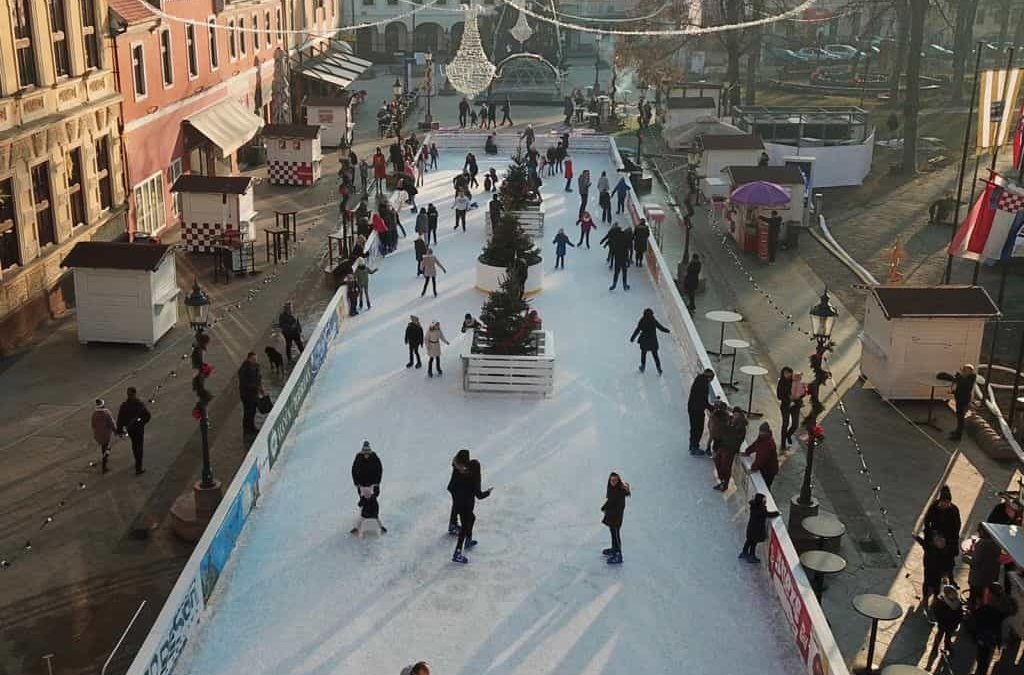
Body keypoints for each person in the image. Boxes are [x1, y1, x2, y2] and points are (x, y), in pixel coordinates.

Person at [450, 457, 492, 563]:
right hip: (466, 507)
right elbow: (479, 496)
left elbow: (456, 468)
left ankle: (468, 541)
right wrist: (488, 492)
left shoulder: (463, 475)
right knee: (464, 529)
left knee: (472, 518)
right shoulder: (474, 479)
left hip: (460, 505)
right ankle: (457, 553)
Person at [971, 582, 1017, 675]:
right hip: (993, 636)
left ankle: (981, 672)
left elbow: (975, 620)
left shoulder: (988, 608)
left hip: (985, 637)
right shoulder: (1002, 604)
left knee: (982, 658)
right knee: (984, 656)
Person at [116, 387, 151, 475]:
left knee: (134, 445)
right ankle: (138, 467)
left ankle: (136, 461)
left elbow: (120, 419)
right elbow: (147, 416)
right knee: (139, 447)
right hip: (139, 429)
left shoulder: (124, 406)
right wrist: (142, 422)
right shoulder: (139, 404)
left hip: (130, 429)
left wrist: (119, 430)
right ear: (135, 394)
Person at [915, 531, 955, 606]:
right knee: (927, 583)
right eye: (937, 540)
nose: (941, 542)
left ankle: (934, 598)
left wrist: (947, 573)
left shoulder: (946, 550)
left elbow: (949, 562)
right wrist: (916, 537)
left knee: (936, 584)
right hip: (930, 569)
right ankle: (926, 598)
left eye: (942, 540)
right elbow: (923, 543)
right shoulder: (931, 548)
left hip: (938, 571)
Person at [601, 471, 631, 565]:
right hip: (611, 517)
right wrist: (604, 507)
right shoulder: (612, 490)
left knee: (616, 535)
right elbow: (610, 501)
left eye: (615, 480)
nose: (613, 482)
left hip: (616, 518)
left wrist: (611, 512)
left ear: (618, 481)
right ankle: (614, 549)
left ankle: (618, 554)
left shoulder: (619, 492)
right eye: (611, 480)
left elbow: (620, 506)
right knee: (613, 534)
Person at [739, 493, 778, 563]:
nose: (765, 501)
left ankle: (744, 552)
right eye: (764, 500)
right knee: (753, 543)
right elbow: (768, 514)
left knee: (749, 541)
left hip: (751, 528)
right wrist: (777, 513)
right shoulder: (760, 510)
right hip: (756, 531)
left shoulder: (754, 507)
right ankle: (751, 556)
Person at [968, 525, 1002, 607]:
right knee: (983, 596)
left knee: (974, 596)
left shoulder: (981, 543)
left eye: (979, 531)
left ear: (983, 532)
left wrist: (966, 558)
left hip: (978, 578)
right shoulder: (997, 542)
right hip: (990, 576)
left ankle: (973, 609)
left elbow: (975, 562)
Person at [630, 308, 670, 375]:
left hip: (644, 341)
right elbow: (660, 328)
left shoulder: (642, 320)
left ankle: (642, 367)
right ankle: (659, 369)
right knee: (655, 356)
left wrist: (632, 338)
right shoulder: (653, 320)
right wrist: (668, 331)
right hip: (653, 341)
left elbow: (637, 330)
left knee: (643, 354)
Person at [923, 485, 962, 553]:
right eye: (944, 502)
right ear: (940, 501)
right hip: (935, 534)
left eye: (947, 503)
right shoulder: (934, 507)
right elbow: (927, 520)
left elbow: (957, 526)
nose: (946, 505)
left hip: (948, 536)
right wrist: (932, 533)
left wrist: (949, 538)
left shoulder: (954, 510)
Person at [929, 584, 962, 657]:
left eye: (955, 592)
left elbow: (960, 613)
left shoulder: (957, 601)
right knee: (939, 635)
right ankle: (935, 648)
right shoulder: (941, 602)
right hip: (943, 624)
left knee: (948, 636)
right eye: (953, 593)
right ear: (948, 595)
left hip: (952, 624)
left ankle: (947, 646)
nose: (955, 594)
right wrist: (940, 621)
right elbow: (937, 613)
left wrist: (958, 621)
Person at [687, 369, 716, 454]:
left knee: (693, 427)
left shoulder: (699, 379)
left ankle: (692, 445)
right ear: (709, 378)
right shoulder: (704, 385)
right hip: (697, 410)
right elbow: (703, 401)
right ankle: (694, 447)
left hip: (691, 407)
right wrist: (712, 408)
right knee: (698, 428)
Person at [744, 422, 779, 488]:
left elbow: (761, 458)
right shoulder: (762, 438)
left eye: (762, 432)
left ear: (766, 432)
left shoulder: (768, 443)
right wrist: (747, 451)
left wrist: (753, 468)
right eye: (760, 431)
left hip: (769, 470)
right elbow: (755, 445)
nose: (760, 433)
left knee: (765, 486)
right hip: (764, 467)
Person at [237, 352, 263, 436]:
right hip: (246, 394)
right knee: (248, 411)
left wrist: (260, 387)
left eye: (256, 359)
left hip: (254, 393)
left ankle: (252, 427)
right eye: (253, 359)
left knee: (253, 411)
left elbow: (259, 377)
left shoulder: (256, 366)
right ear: (248, 359)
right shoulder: (244, 369)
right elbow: (244, 383)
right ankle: (247, 429)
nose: (255, 360)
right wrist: (255, 386)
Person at [950, 364, 976, 440]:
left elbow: (964, 385)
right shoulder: (964, 378)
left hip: (963, 400)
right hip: (960, 399)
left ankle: (958, 435)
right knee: (959, 416)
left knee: (961, 418)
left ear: (969, 372)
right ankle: (957, 431)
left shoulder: (970, 379)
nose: (963, 372)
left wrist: (959, 377)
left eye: (965, 370)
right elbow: (959, 387)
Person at [447, 449, 471, 534]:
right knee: (457, 506)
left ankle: (453, 524)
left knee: (457, 506)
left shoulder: (458, 465)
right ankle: (453, 525)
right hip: (455, 489)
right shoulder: (460, 468)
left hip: (456, 489)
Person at [91, 399, 117, 474]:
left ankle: (104, 458)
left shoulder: (94, 414)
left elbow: (93, 425)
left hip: (98, 435)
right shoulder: (106, 413)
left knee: (103, 447)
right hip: (106, 435)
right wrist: (115, 431)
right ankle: (104, 466)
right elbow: (111, 423)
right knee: (106, 449)